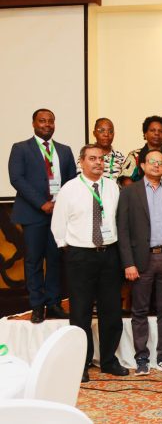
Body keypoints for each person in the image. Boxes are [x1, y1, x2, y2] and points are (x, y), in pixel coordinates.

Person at [51, 144, 126, 382]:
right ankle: (81, 363)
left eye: (101, 159)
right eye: (92, 158)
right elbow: (58, 224)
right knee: (81, 312)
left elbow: (118, 220)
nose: (98, 163)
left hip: (109, 254)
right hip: (80, 256)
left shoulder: (112, 187)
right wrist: (69, 249)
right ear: (81, 162)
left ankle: (109, 361)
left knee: (111, 310)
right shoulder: (69, 189)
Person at [117, 150, 162, 375]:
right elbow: (123, 230)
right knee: (139, 310)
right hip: (140, 260)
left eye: (161, 163)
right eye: (152, 162)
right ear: (143, 165)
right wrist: (128, 263)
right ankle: (141, 359)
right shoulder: (129, 192)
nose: (156, 166)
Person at [9, 108, 77, 323]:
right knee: (34, 261)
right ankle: (37, 305)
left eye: (50, 121)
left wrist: (61, 204)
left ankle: (54, 303)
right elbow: (17, 179)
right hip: (33, 214)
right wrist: (42, 203)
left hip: (59, 214)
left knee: (55, 260)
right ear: (34, 124)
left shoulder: (65, 150)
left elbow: (71, 181)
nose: (47, 124)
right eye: (42, 121)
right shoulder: (21, 148)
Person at [119, 115, 162, 184]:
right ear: (145, 134)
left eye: (161, 131)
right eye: (152, 130)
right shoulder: (135, 155)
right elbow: (126, 180)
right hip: (139, 190)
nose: (157, 133)